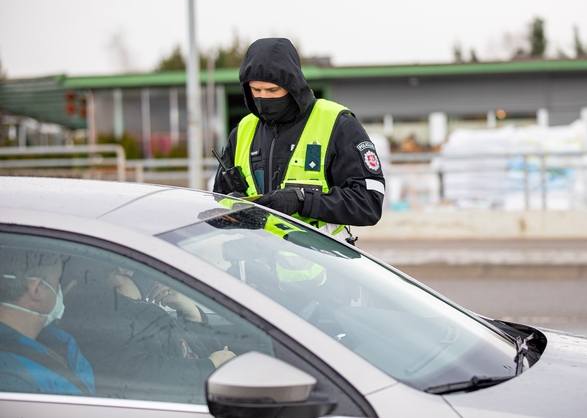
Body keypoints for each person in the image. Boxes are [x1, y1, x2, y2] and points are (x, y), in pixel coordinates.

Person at [213, 37, 385, 243]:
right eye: (256, 90)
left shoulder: (337, 124)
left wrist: (302, 200)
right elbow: (219, 202)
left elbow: (368, 203)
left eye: (272, 90)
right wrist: (233, 209)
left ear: (292, 85)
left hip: (323, 268)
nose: (263, 98)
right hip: (255, 267)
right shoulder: (242, 131)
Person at [59, 265, 235, 402]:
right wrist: (207, 367)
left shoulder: (136, 310)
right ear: (124, 269)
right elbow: (134, 371)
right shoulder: (100, 313)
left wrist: (192, 315)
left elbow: (202, 353)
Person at [0, 248, 95, 395]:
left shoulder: (53, 340)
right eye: (58, 281)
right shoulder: (12, 379)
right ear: (37, 290)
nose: (59, 290)